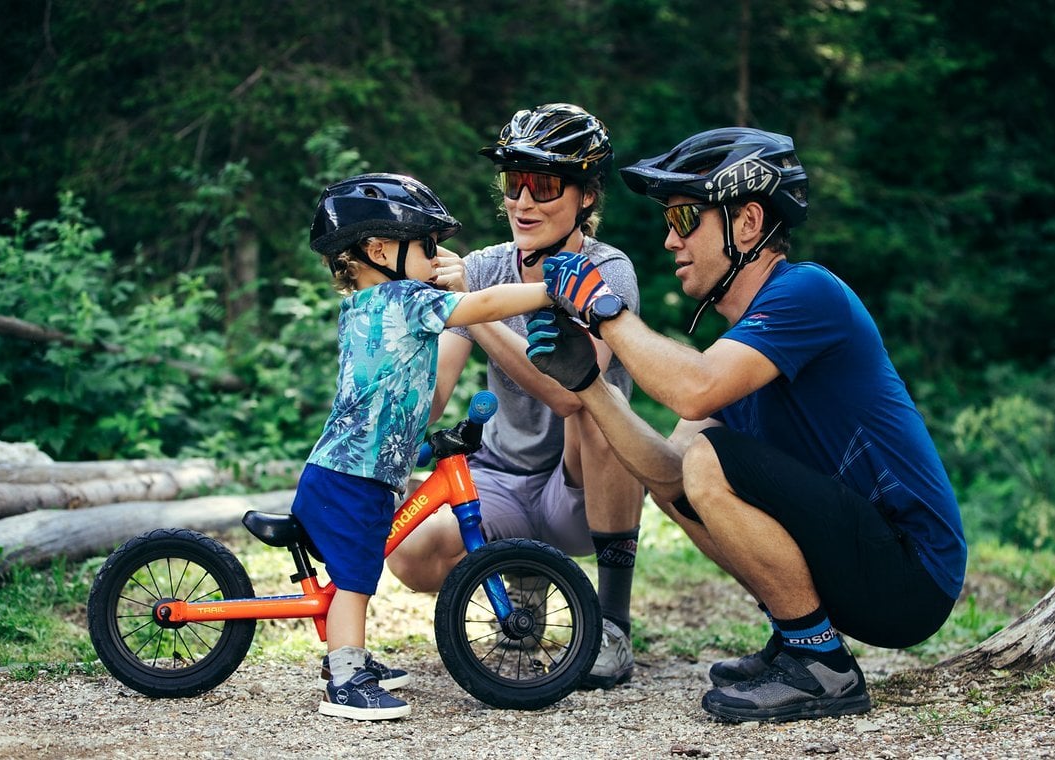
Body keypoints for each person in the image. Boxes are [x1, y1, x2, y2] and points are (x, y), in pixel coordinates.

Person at [526, 127, 967, 723]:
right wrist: (591, 389)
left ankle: (823, 667)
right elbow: (669, 477)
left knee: (710, 457)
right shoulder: (743, 351)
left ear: (749, 223)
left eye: (684, 219)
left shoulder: (808, 293)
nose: (668, 241)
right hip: (863, 564)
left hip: (913, 572)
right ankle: (799, 640)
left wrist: (606, 311)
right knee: (690, 475)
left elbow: (695, 388)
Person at [385, 103, 645, 689]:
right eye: (513, 182)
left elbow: (572, 397)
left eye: (546, 184)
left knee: (606, 416)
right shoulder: (485, 266)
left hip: (580, 489)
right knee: (408, 552)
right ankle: (525, 571)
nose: (523, 202)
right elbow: (436, 391)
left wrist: (474, 311)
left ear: (585, 195)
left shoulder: (607, 270)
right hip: (502, 480)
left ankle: (611, 623)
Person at [294, 172, 558, 721]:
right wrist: (552, 290)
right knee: (356, 576)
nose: (438, 259)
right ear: (380, 249)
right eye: (429, 246)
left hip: (347, 468)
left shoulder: (367, 304)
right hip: (354, 476)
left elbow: (401, 389)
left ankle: (352, 657)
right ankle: (345, 678)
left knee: (357, 567)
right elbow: (481, 305)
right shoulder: (404, 297)